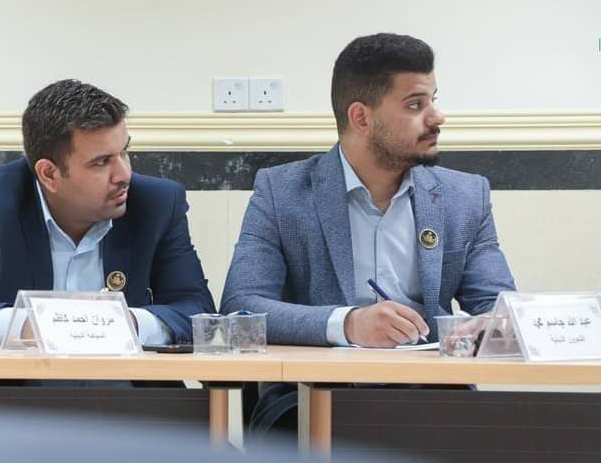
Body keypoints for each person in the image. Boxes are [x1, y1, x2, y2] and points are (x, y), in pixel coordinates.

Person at [221, 33, 515, 431]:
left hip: (432, 396)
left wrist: (491, 323)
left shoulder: (464, 196)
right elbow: (240, 308)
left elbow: (499, 306)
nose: (437, 117)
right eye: (415, 105)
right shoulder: (281, 192)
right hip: (310, 396)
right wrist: (348, 324)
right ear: (361, 118)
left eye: (433, 99)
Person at [0, 79, 214, 349]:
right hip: (12, 385)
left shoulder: (157, 203)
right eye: (101, 162)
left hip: (124, 386)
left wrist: (130, 323)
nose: (124, 174)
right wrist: (32, 325)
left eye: (124, 152)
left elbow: (199, 312)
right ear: (49, 174)